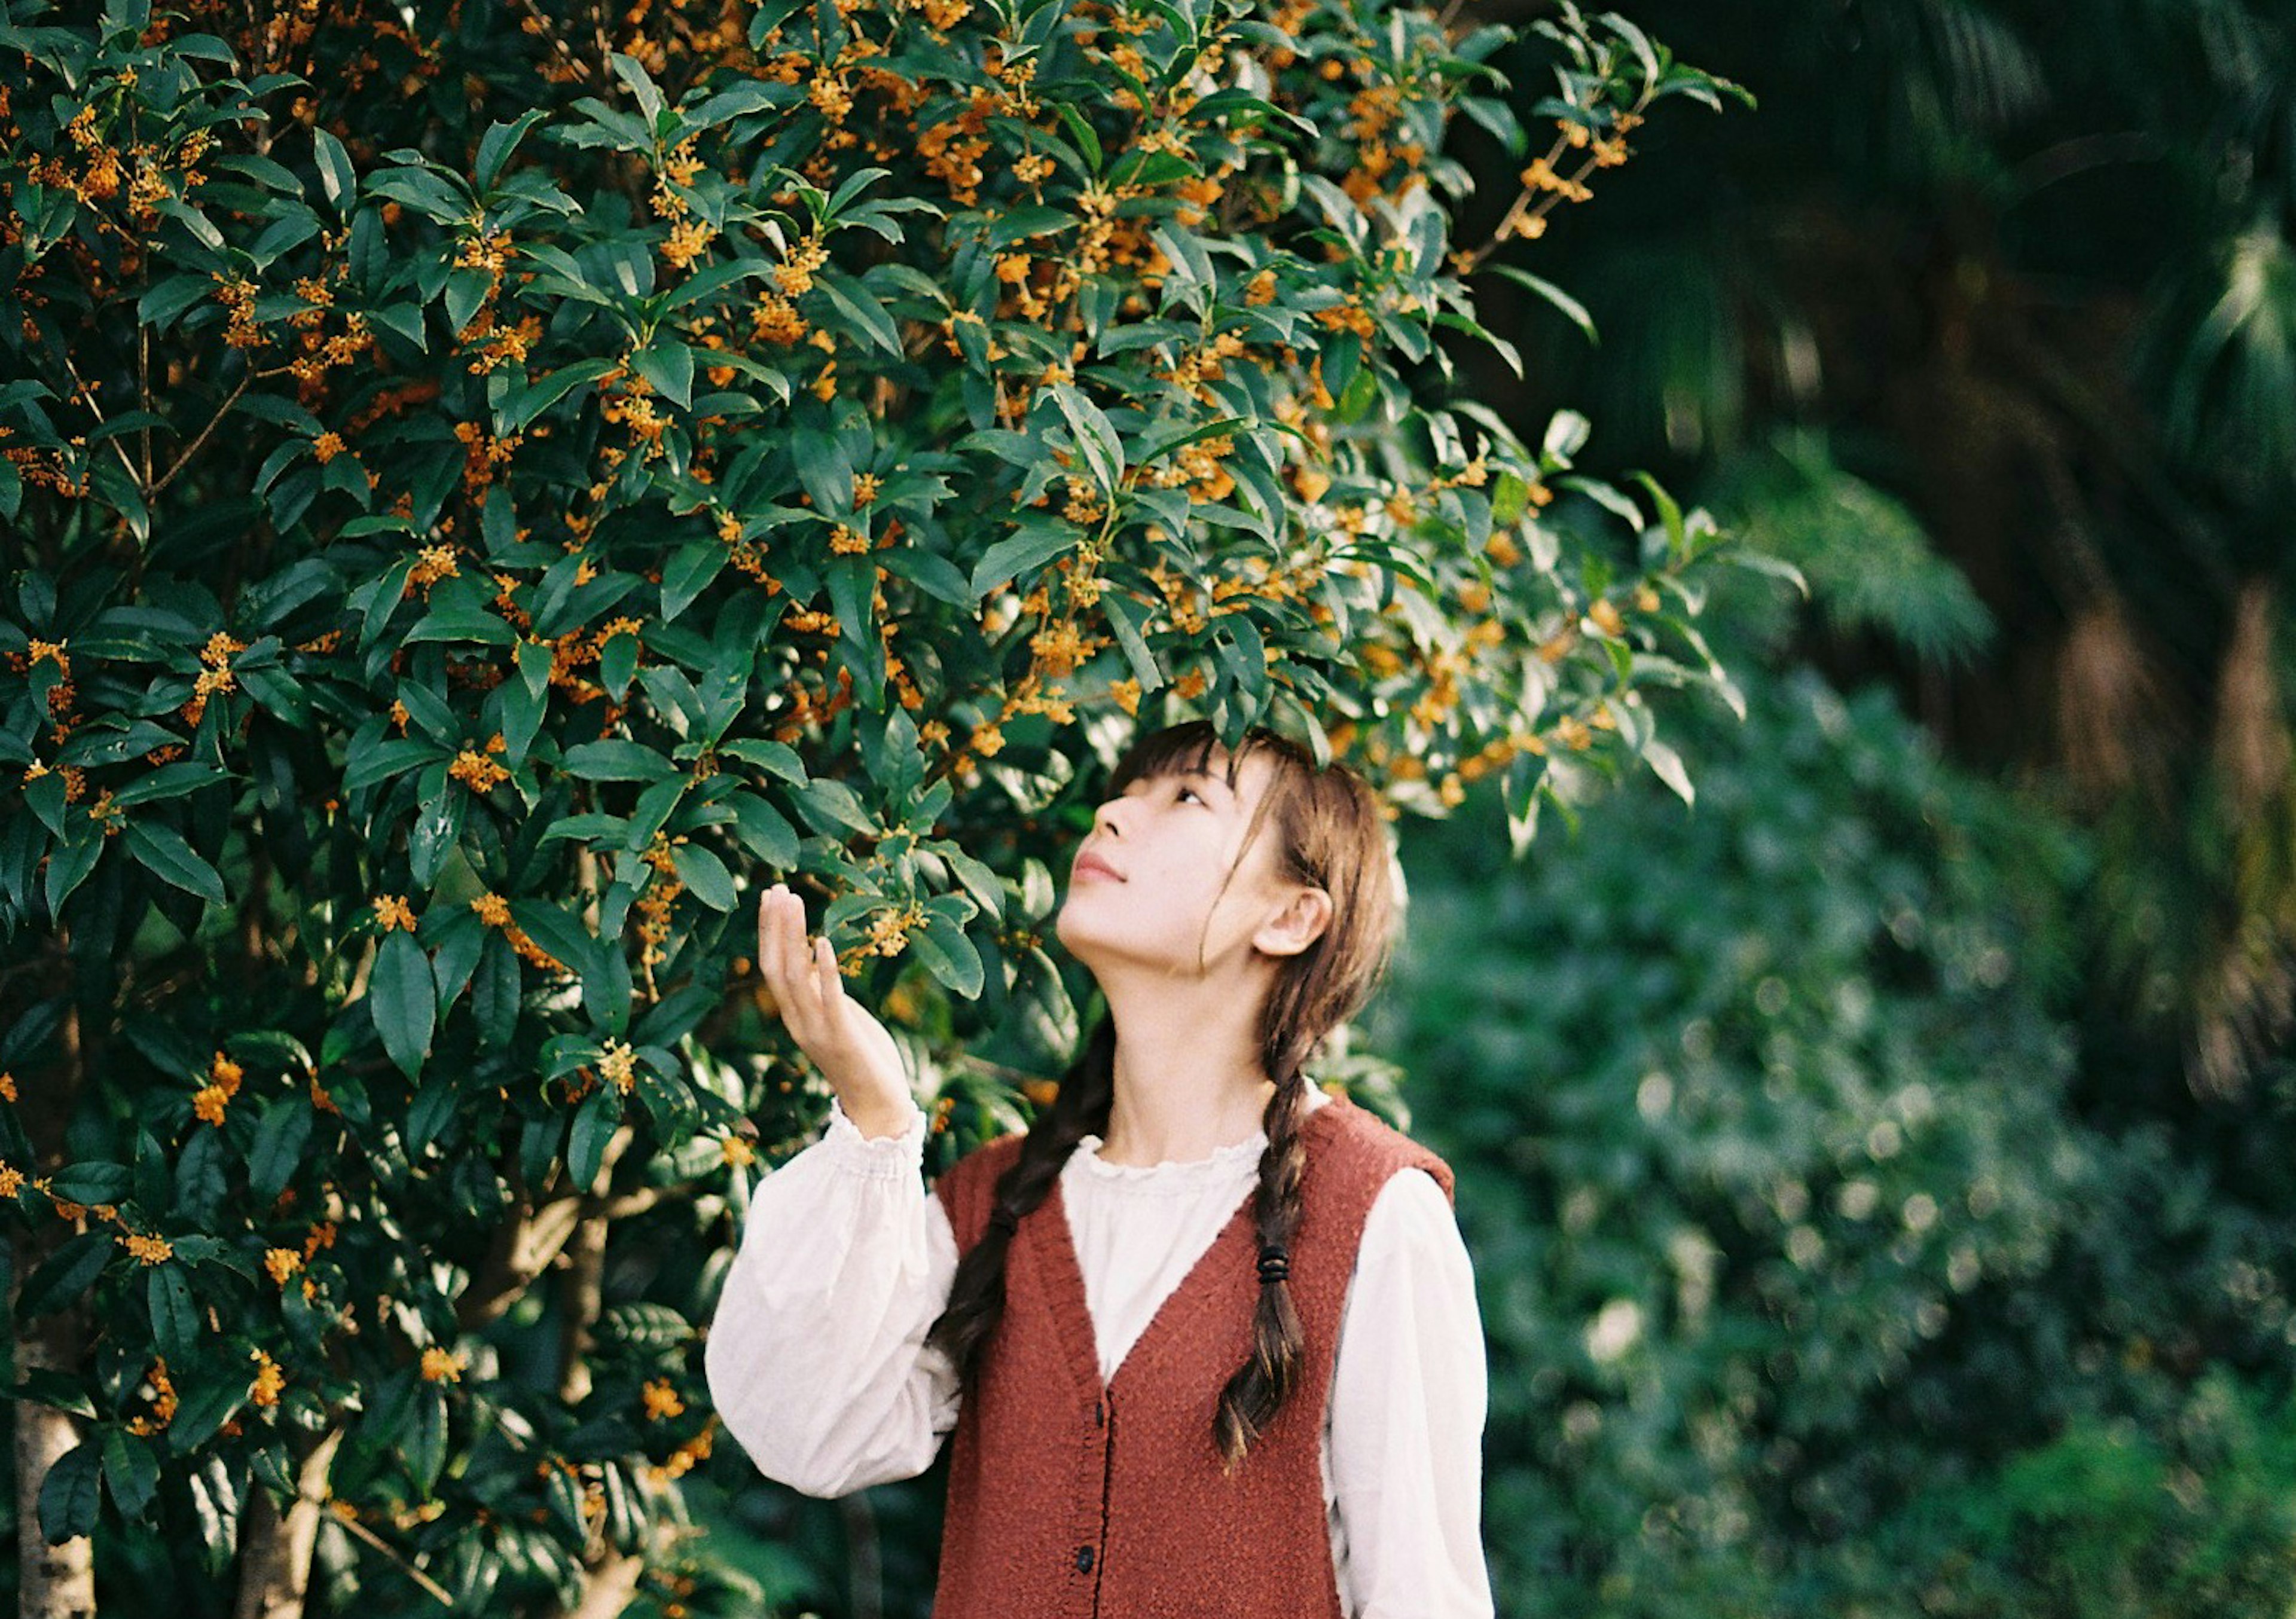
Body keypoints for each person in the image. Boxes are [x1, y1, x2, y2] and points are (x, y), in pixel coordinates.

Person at [704, 719, 1494, 1618]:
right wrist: (876, 1121)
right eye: (1128, 790)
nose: (1112, 812)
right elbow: (814, 1435)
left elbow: (1420, 1595)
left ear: (1289, 916)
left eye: (1189, 797)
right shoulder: (997, 1204)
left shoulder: (1376, 1212)